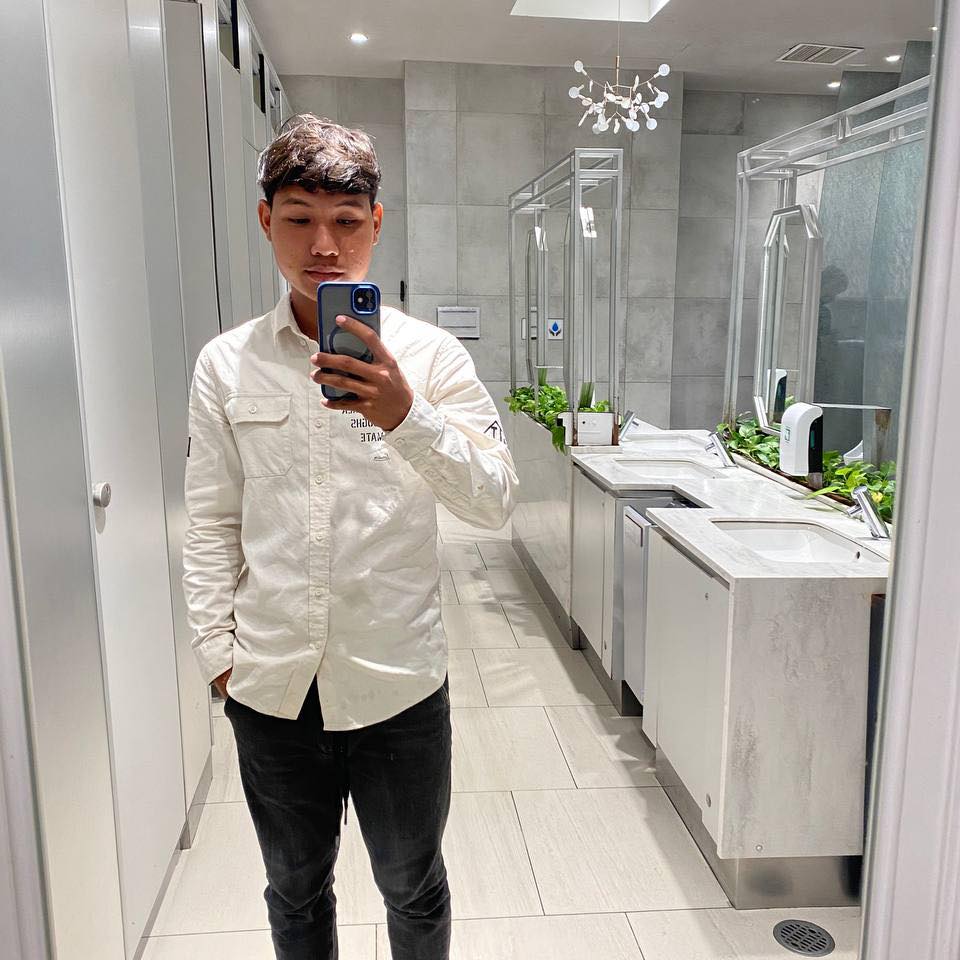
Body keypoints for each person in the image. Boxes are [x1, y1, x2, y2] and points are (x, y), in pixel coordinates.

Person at [181, 115, 518, 960]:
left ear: (377, 222)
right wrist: (217, 652)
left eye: (346, 220)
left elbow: (495, 500)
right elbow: (212, 517)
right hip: (270, 685)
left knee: (413, 886)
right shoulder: (224, 364)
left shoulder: (431, 358)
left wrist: (406, 414)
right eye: (299, 218)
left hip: (398, 683)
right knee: (294, 891)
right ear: (267, 220)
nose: (323, 245)